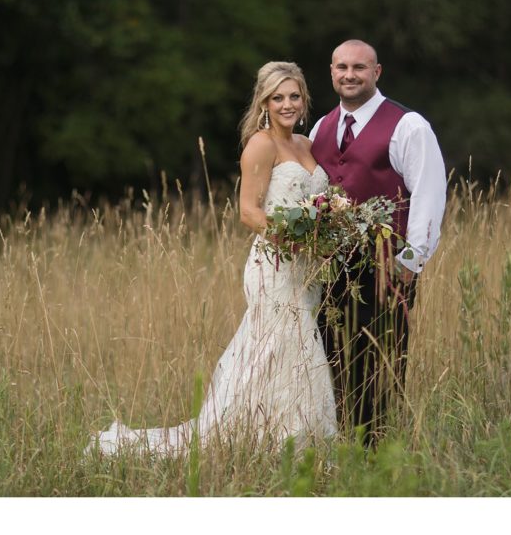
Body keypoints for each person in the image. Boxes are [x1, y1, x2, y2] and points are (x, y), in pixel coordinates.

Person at [89, 61, 337, 455]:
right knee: (289, 344)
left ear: (304, 99)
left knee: (286, 350)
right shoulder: (261, 144)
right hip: (275, 264)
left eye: (294, 96)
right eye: (278, 97)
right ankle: (285, 438)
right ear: (264, 103)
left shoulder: (306, 145)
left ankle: (274, 432)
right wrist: (295, 241)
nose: (287, 104)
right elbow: (249, 212)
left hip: (308, 269)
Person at [309, 39, 447, 446]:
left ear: (377, 72)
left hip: (387, 267)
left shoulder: (408, 125)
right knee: (331, 359)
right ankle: (340, 445)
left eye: (359, 67)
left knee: (380, 363)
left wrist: (411, 261)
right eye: (341, 67)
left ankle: (376, 452)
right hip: (329, 269)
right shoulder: (320, 127)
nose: (349, 75)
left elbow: (429, 193)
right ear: (332, 72)